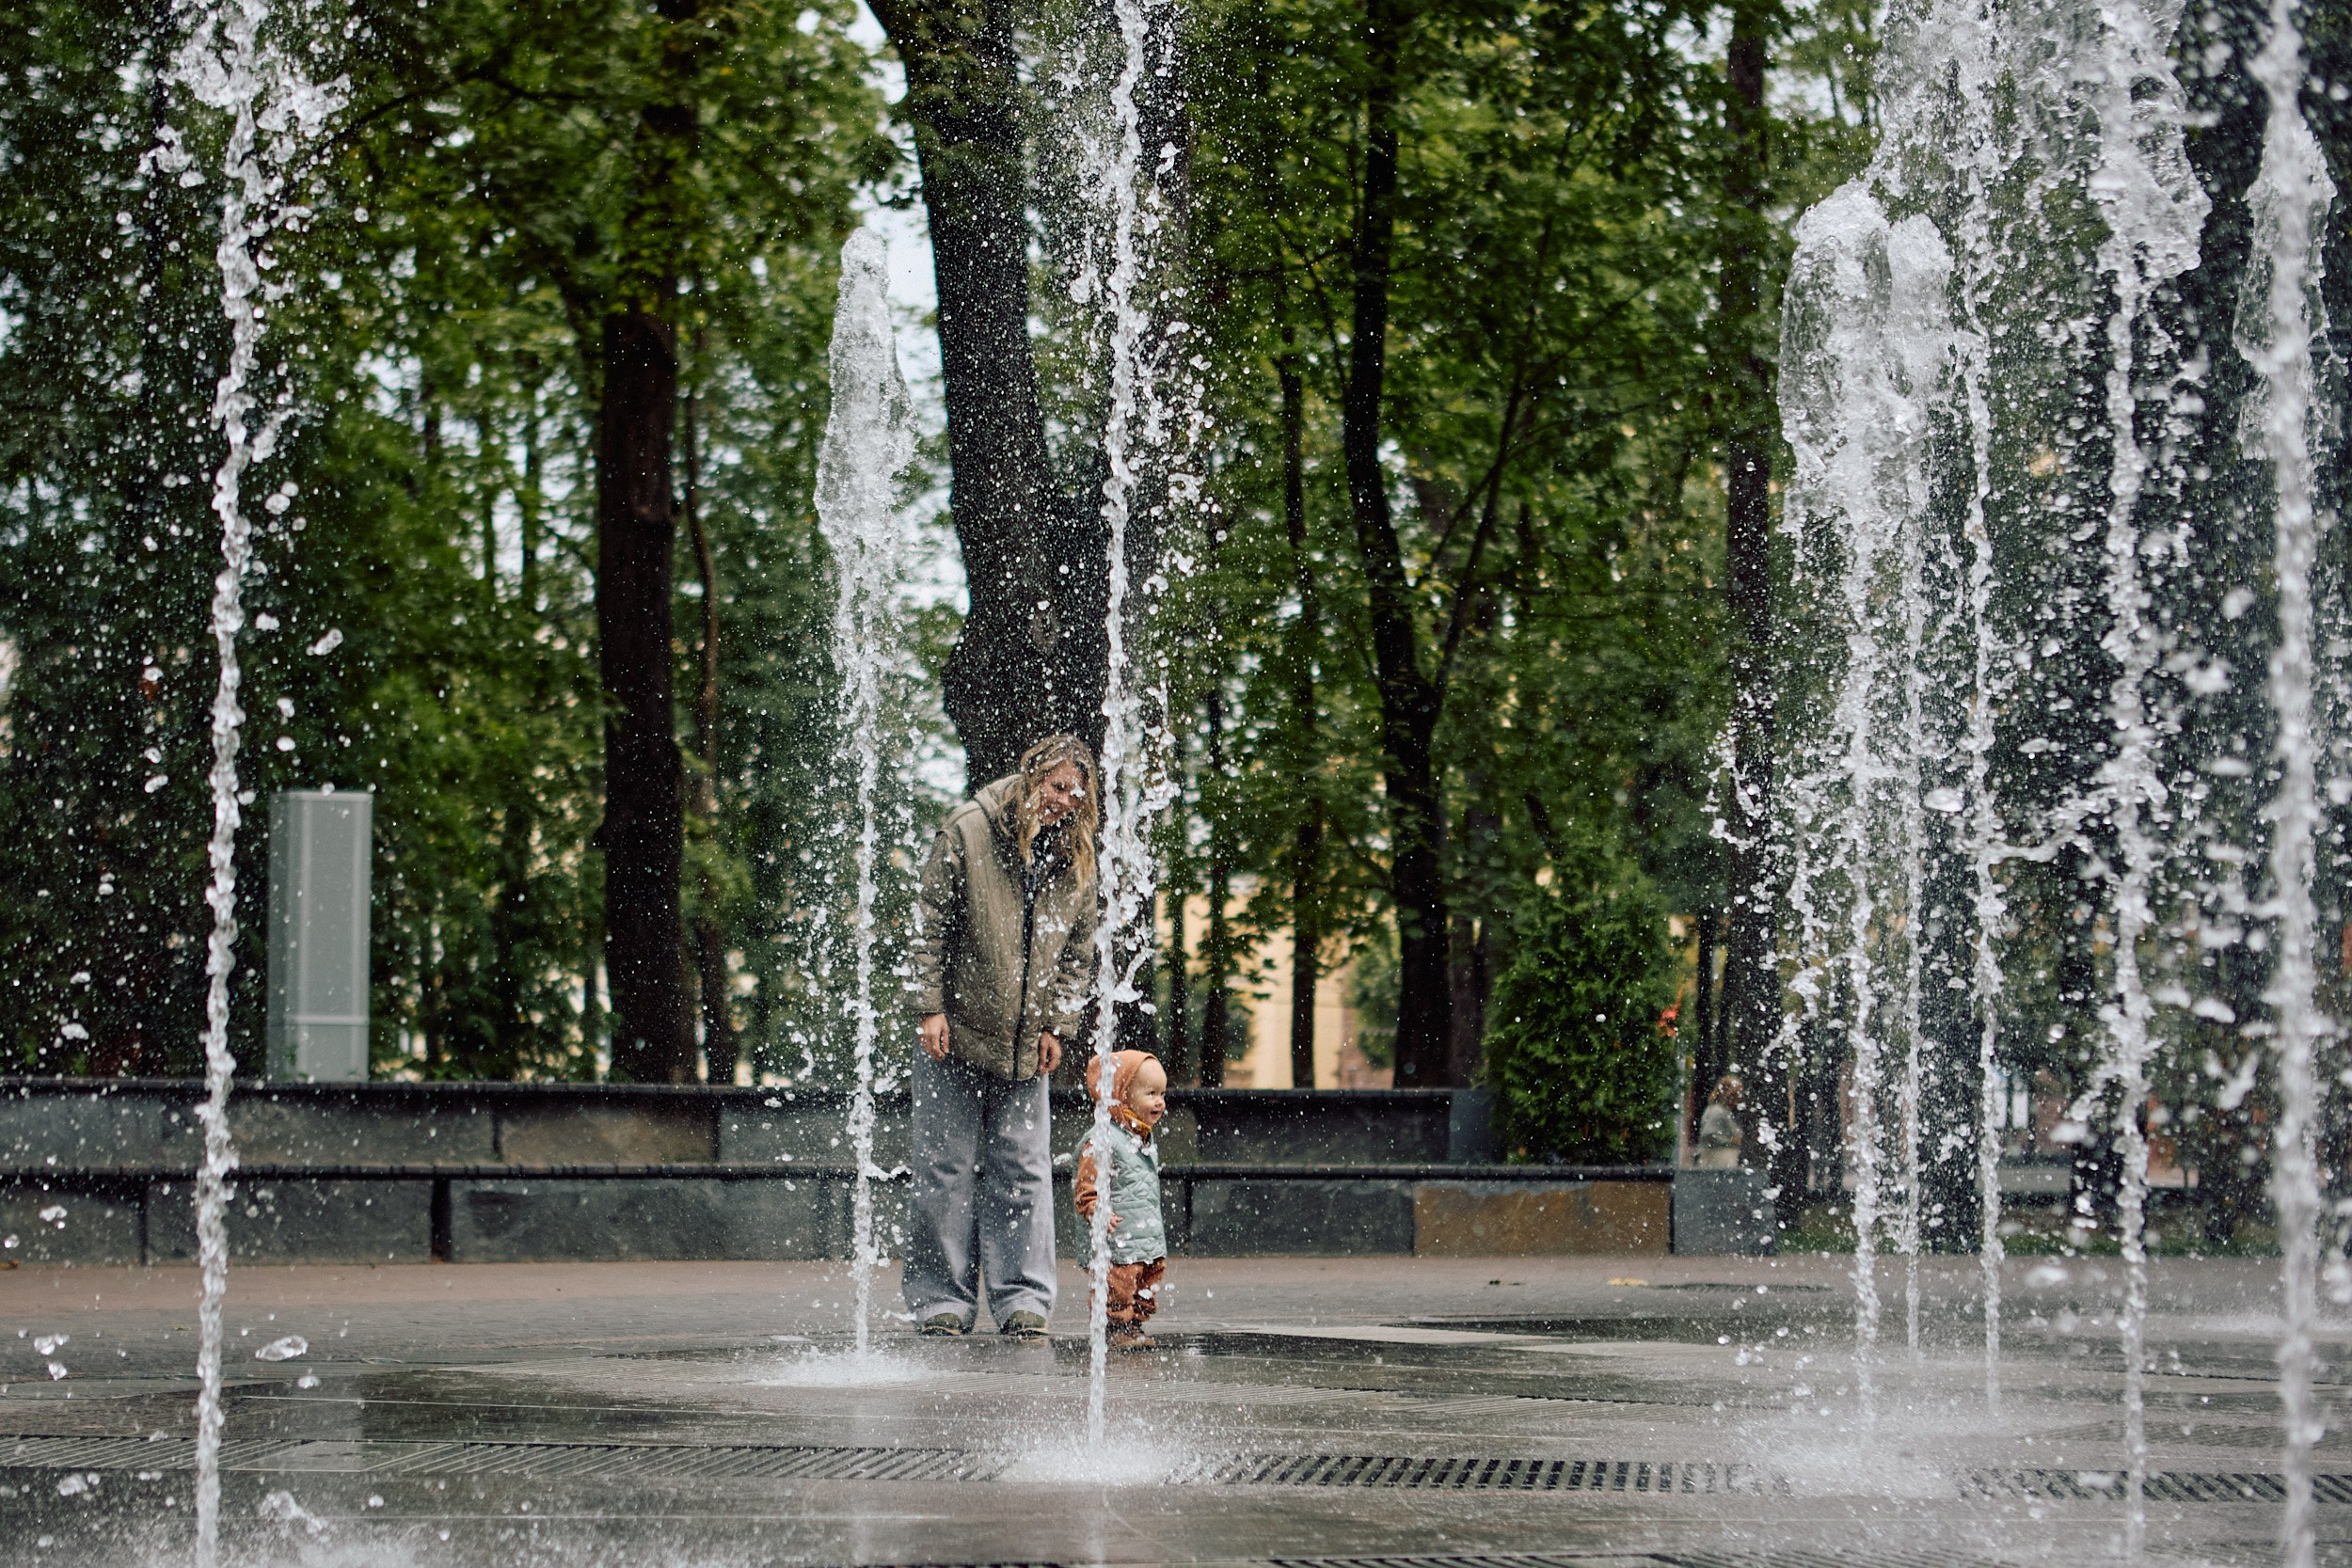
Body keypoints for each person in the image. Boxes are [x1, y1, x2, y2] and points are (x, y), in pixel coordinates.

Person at [903, 734, 1100, 1340]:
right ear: (1031, 773)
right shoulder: (968, 829)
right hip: (955, 1033)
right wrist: (927, 1007)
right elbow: (928, 921)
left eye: (1076, 792)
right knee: (946, 1168)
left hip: (1025, 1046)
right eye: (1056, 785)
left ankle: (1024, 1300)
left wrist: (1056, 1025)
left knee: (1025, 1171)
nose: (1064, 799)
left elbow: (1080, 951)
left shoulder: (1075, 855)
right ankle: (942, 1300)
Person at [1073, 1049, 1168, 1351]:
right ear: (1121, 1094)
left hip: (1147, 1239)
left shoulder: (1142, 1136)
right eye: (1150, 1093)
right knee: (1117, 1286)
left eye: (1163, 1093)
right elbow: (1086, 1186)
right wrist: (1095, 1209)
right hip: (1116, 1240)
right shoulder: (1102, 1139)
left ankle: (1135, 1326)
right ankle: (1115, 1329)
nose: (1159, 1101)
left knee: (1145, 1286)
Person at [1696, 1075, 1743, 1169]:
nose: (1738, 1100)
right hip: (1718, 1160)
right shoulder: (1718, 1111)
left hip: (1718, 1160)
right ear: (1729, 1095)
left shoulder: (1718, 1110)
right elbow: (1709, 1135)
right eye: (1736, 1095)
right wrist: (1730, 1141)